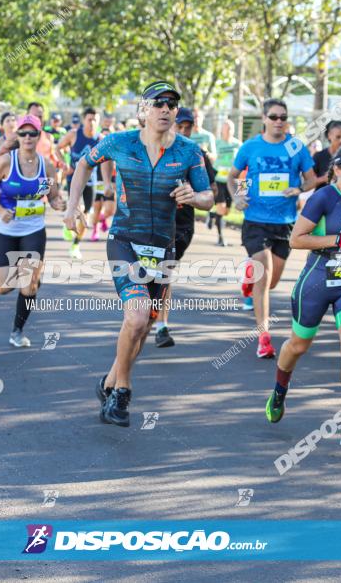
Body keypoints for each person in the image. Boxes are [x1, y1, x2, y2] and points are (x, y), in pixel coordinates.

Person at [66, 81, 212, 427]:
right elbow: (84, 165)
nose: (166, 109)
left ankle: (108, 382)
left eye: (172, 104)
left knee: (143, 326)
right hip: (124, 240)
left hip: (163, 246)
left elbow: (210, 198)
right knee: (137, 316)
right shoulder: (119, 142)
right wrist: (73, 206)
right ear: (142, 110)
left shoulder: (190, 151)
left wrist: (194, 197)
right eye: (158, 103)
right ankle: (122, 394)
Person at [265, 143, 341, 447]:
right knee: (297, 345)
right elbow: (296, 240)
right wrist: (338, 239)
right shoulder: (323, 197)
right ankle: (279, 389)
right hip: (315, 284)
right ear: (338, 170)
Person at [227, 98, 317, 358]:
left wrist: (299, 189)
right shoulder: (251, 146)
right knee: (264, 277)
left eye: (283, 117)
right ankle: (263, 338)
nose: (279, 121)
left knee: (272, 282)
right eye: (274, 117)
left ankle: (249, 280)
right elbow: (237, 175)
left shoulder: (296, 147)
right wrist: (238, 197)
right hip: (255, 220)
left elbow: (311, 179)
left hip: (285, 222)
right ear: (264, 119)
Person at [0, 115, 65, 345]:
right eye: (23, 133)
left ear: (39, 136)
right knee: (1, 287)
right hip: (4, 229)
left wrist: (61, 205)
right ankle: (34, 273)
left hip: (33, 228)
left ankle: (17, 331)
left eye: (32, 133)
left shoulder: (46, 165)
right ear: (17, 136)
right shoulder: (6, 162)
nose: (28, 137)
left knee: (29, 285)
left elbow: (53, 197)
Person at [154, 107, 218, 348]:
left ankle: (160, 325)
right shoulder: (153, 151)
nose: (182, 131)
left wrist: (194, 194)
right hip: (151, 222)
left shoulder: (196, 154)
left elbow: (212, 192)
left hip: (181, 225)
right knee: (154, 275)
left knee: (164, 273)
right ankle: (150, 321)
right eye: (178, 126)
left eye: (187, 127)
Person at [57, 107, 101, 258]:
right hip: (73, 179)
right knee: (76, 208)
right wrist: (64, 163)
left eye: (95, 119)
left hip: (91, 180)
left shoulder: (100, 139)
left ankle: (75, 245)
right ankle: (68, 219)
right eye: (89, 119)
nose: (92, 122)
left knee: (86, 214)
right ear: (84, 120)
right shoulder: (74, 134)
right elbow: (57, 148)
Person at [210, 117, 242, 247]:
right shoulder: (216, 143)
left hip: (233, 181)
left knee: (227, 211)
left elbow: (244, 166)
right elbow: (211, 158)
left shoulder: (238, 144)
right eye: (225, 128)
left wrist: (243, 187)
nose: (228, 130)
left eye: (230, 128)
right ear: (221, 130)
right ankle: (220, 238)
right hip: (219, 180)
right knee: (221, 207)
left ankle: (212, 214)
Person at [312, 120, 341, 187]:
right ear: (329, 135)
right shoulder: (319, 156)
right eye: (338, 137)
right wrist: (324, 178)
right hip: (322, 195)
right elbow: (308, 182)